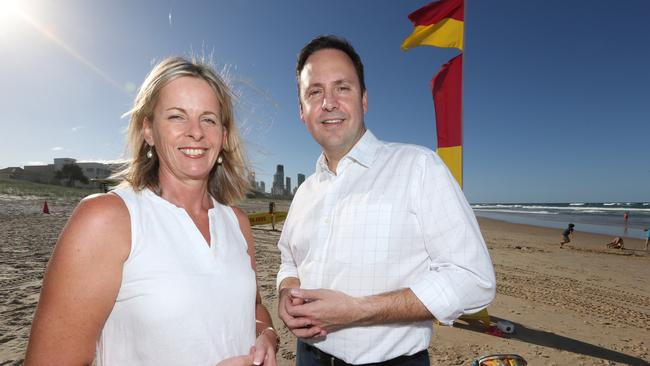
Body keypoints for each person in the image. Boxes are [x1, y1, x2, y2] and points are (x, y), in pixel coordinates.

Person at [25, 57, 278, 366]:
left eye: (209, 119)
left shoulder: (237, 222)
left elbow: (253, 308)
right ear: (148, 129)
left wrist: (267, 335)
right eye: (176, 117)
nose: (195, 132)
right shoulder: (107, 219)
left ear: (224, 136)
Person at [277, 35, 496, 366]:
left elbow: (473, 279)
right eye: (315, 92)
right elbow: (289, 259)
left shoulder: (418, 167)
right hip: (306, 357)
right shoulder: (305, 191)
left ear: (364, 100)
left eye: (342, 88)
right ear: (302, 111)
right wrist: (286, 290)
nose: (329, 102)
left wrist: (358, 311)